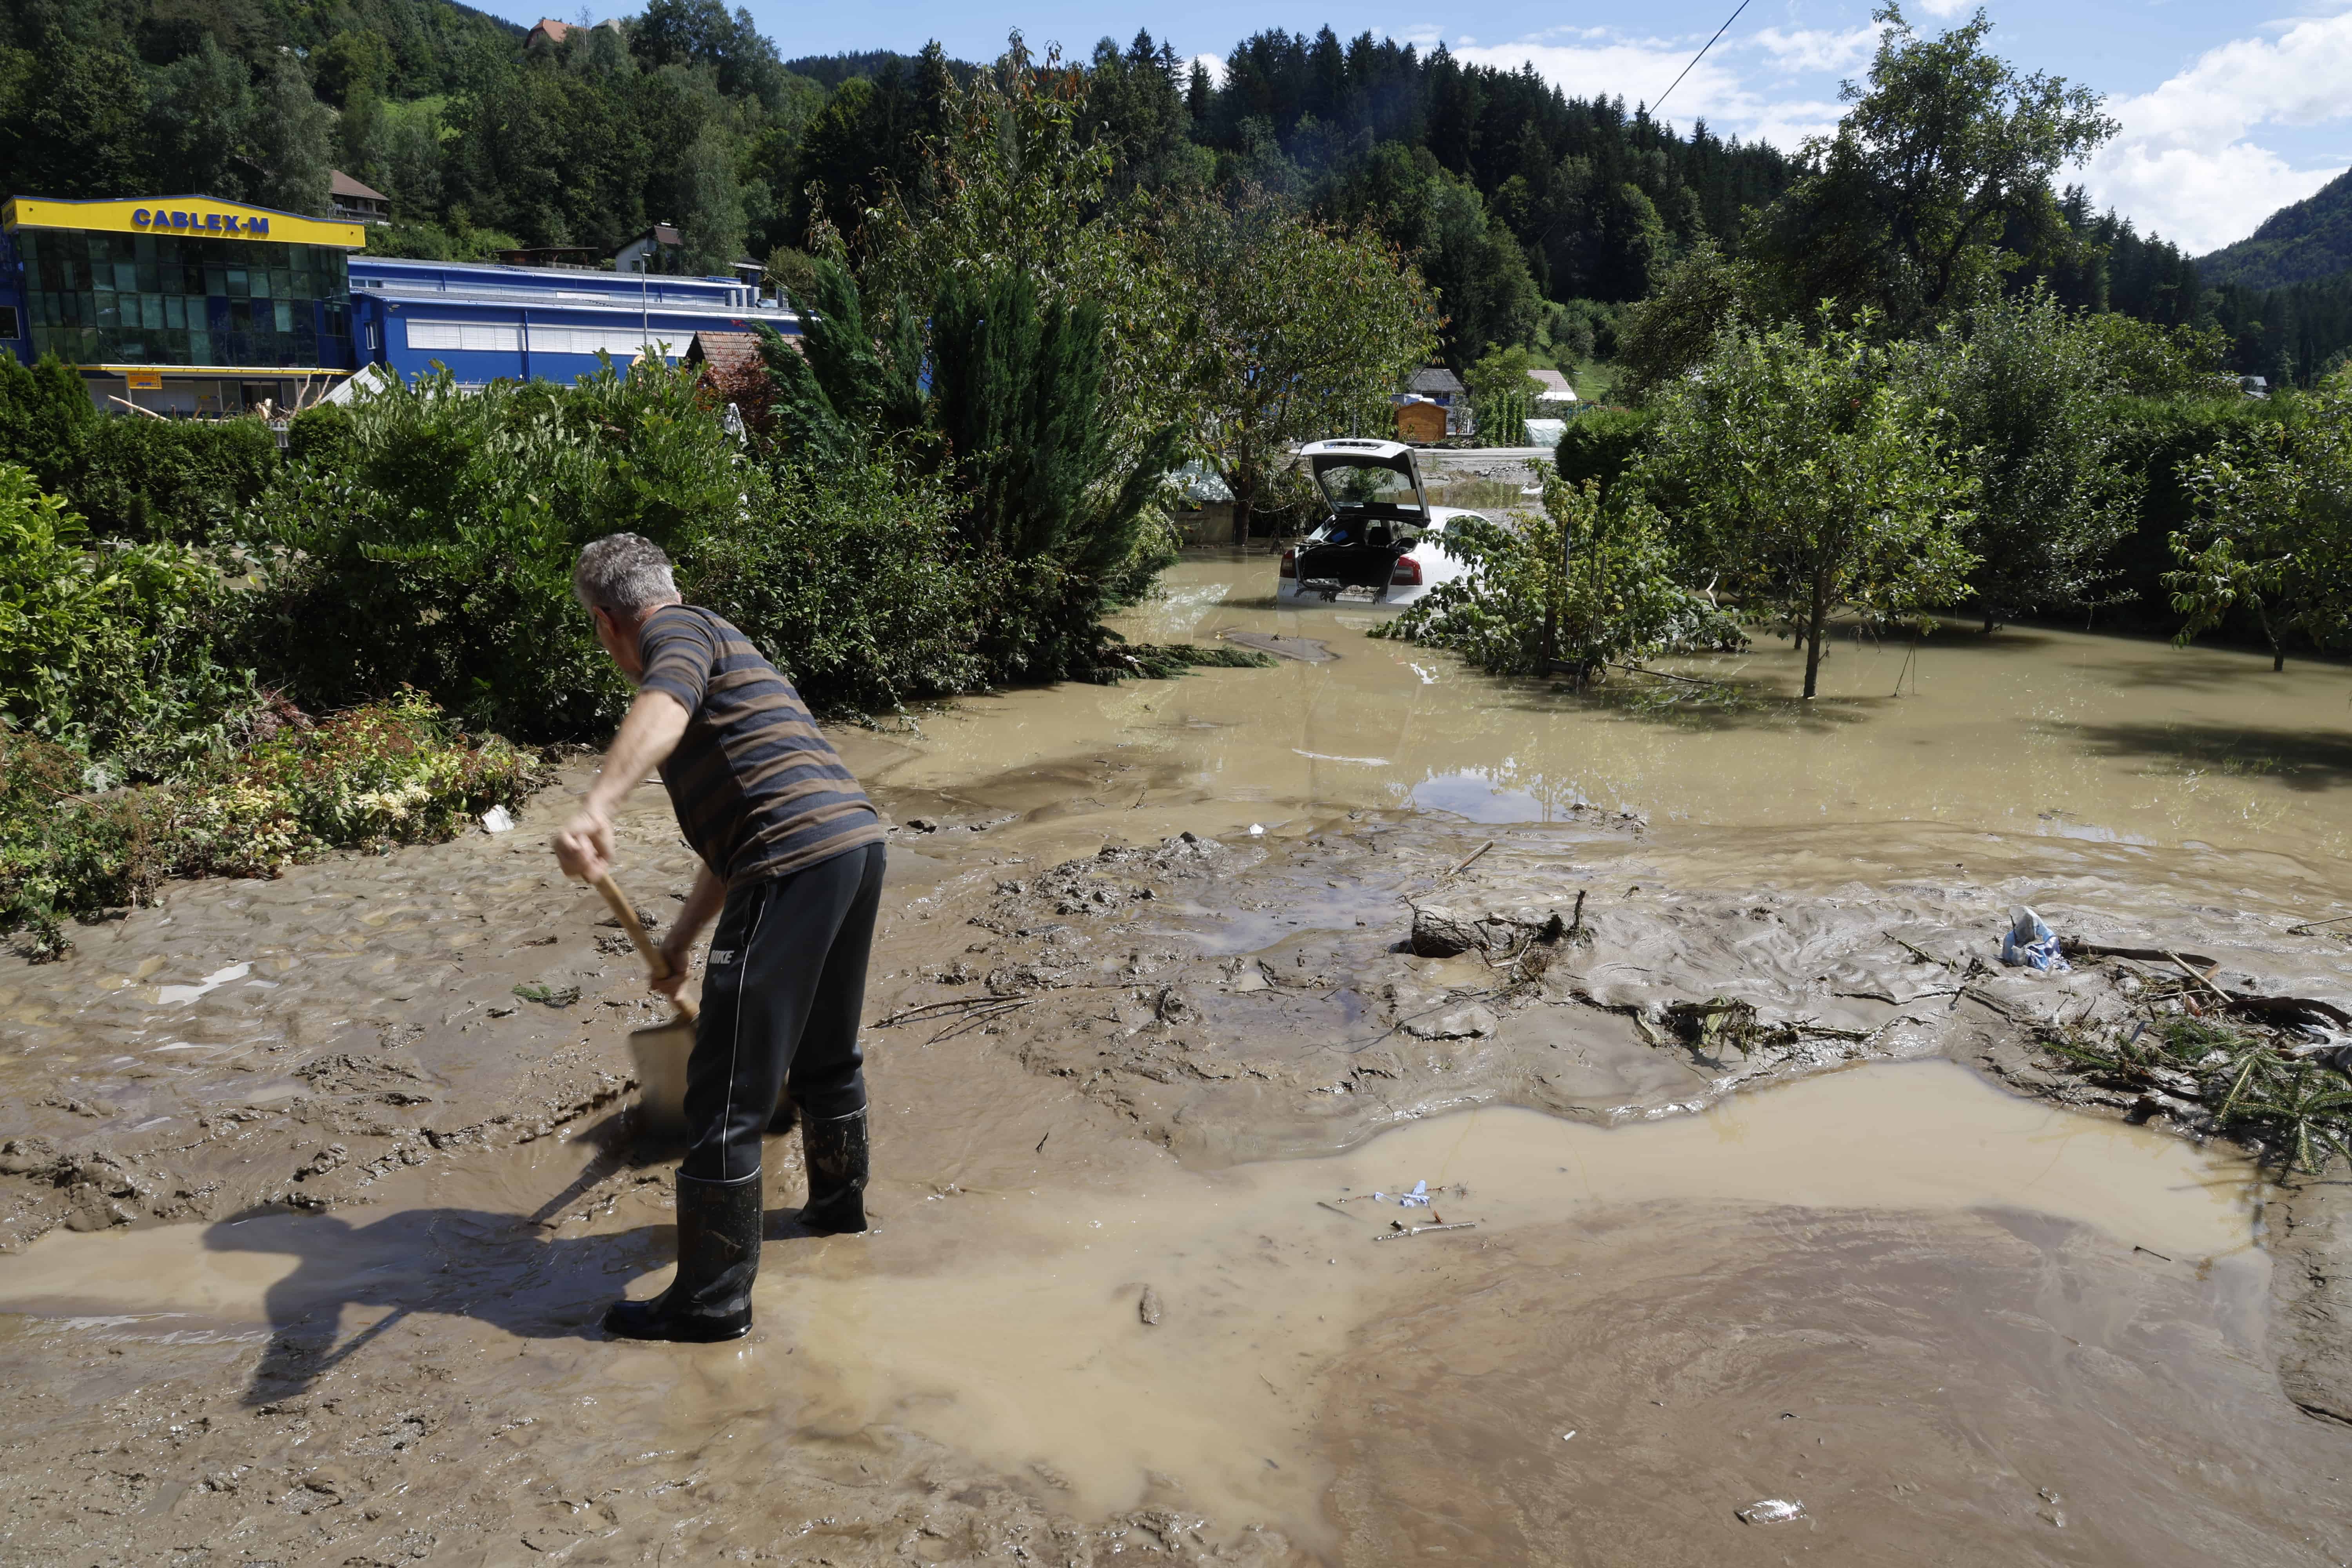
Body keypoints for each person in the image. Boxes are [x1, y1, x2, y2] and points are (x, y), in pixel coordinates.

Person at [551, 533, 887, 1343]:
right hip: (852, 846)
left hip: (794, 859)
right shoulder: (730, 656)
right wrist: (681, 943)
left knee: (726, 1091)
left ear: (606, 621)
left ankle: (710, 1302)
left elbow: (662, 706)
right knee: (825, 1058)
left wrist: (598, 805)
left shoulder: (680, 634)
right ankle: (840, 1215)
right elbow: (729, 857)